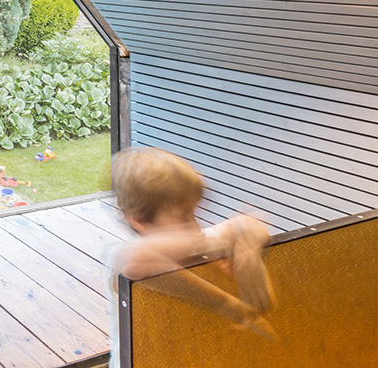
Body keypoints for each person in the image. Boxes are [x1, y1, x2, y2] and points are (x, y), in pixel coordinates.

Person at [107, 147, 276, 366]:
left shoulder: (192, 241)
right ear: (138, 220)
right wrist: (228, 304)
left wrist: (247, 248)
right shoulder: (121, 256)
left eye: (194, 213)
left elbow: (250, 225)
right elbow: (137, 261)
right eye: (183, 216)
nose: (195, 226)